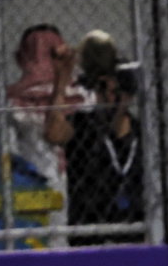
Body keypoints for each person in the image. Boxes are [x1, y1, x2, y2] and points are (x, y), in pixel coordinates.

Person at [45, 36, 143, 243]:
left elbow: (120, 129)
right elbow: (54, 132)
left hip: (135, 233)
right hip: (88, 232)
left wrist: (122, 104)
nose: (109, 95)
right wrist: (61, 79)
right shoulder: (84, 124)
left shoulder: (142, 133)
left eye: (116, 90)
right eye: (102, 89)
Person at [6, 24, 92, 245]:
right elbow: (55, 134)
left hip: (56, 182)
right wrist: (61, 81)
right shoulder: (20, 101)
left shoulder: (79, 95)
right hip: (53, 181)